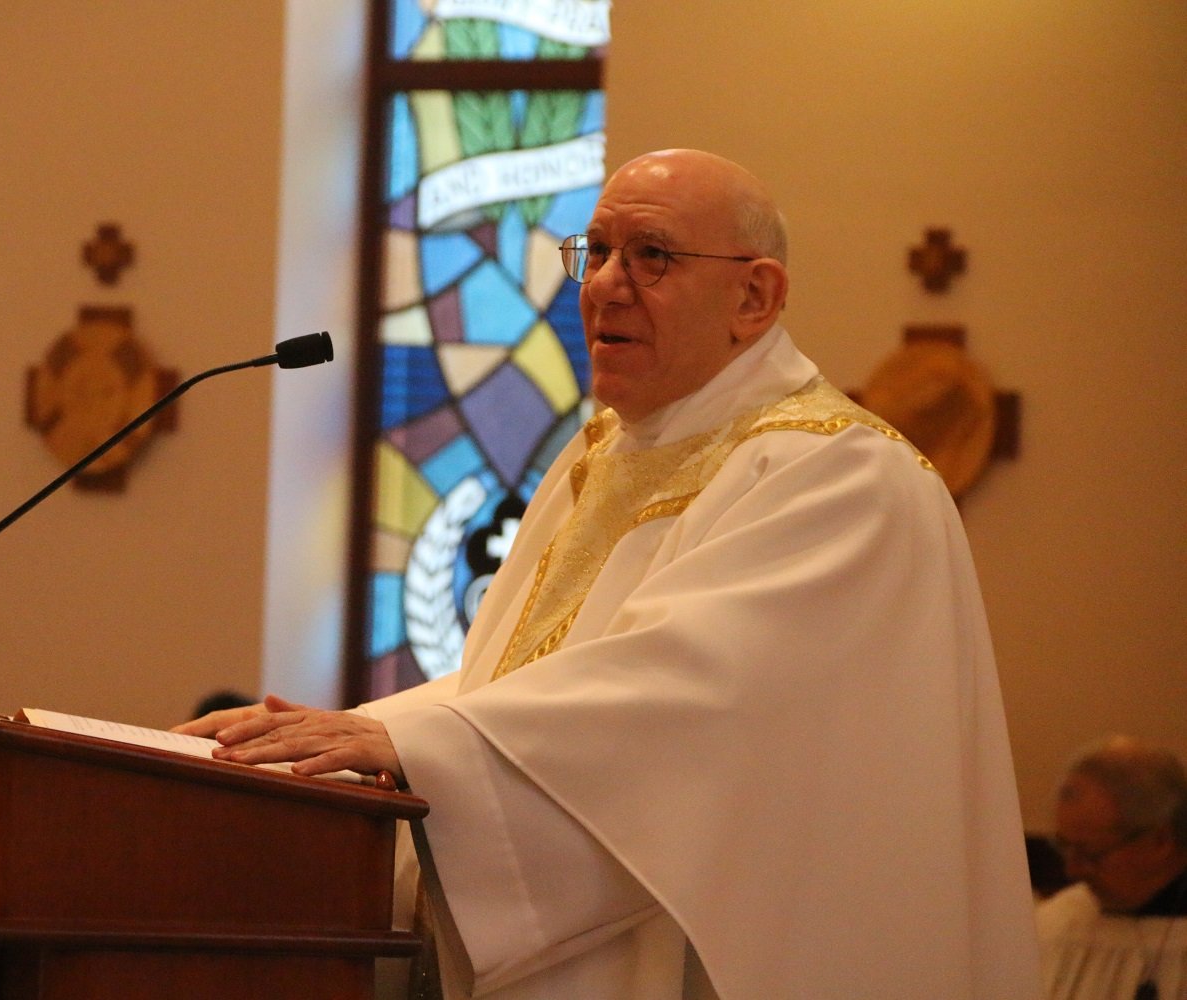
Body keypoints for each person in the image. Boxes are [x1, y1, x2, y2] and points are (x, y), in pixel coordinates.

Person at [179, 149, 1041, 998]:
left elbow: (696, 701)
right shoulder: (603, 452)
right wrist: (319, 742)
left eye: (652, 256)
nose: (603, 285)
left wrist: (410, 746)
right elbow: (512, 688)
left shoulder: (843, 476)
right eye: (596, 253)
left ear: (755, 295)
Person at [1036, 736, 1187, 1000]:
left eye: (1090, 853)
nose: (1072, 871)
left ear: (1160, 842)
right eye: (1064, 848)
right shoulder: (1054, 927)